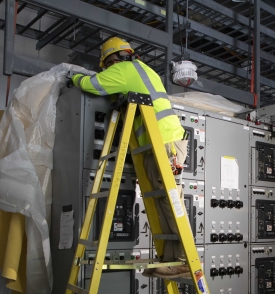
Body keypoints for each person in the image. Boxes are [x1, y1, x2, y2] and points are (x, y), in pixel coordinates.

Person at [71, 37, 190, 279]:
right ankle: (171, 258)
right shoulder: (142, 70)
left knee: (169, 200)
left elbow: (92, 84)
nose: (108, 69)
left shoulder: (124, 70)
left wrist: (71, 76)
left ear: (112, 60)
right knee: (161, 202)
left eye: (107, 65)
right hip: (158, 143)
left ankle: (184, 261)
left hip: (163, 142)